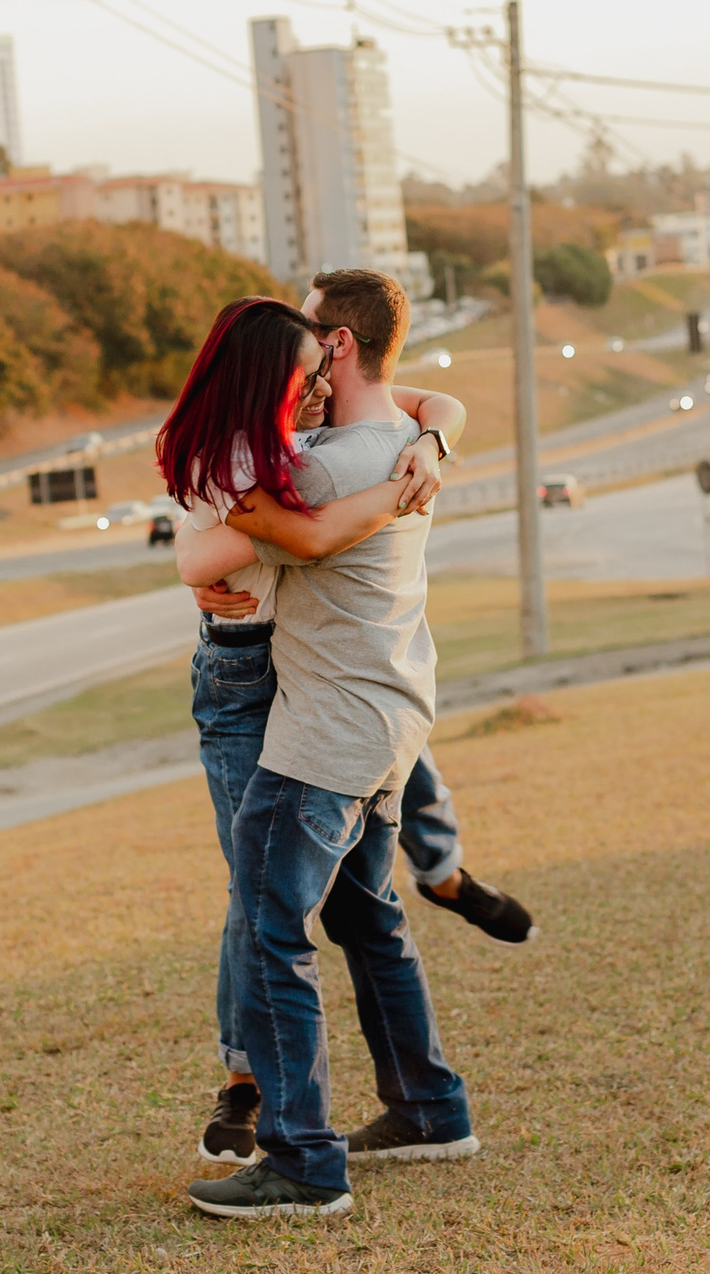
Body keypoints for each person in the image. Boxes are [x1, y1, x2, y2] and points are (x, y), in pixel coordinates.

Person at [162, 300, 534, 1175]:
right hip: (323, 686)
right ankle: (425, 1106)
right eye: (305, 376)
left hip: (294, 690)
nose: (321, 382)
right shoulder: (288, 456)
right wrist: (414, 474)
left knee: (266, 904)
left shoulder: (325, 453)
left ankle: (285, 1130)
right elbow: (252, 542)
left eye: (323, 358)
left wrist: (434, 443)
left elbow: (429, 407)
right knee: (356, 911)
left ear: (337, 341)